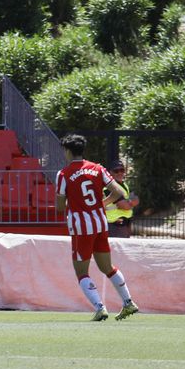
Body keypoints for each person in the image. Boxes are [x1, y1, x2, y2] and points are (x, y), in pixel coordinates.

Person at [56, 135, 139, 321]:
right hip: (100, 223)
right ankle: (128, 302)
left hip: (81, 226)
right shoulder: (97, 168)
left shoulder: (64, 174)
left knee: (81, 272)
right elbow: (118, 191)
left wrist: (74, 201)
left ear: (68, 151)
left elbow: (60, 206)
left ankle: (100, 307)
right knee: (106, 266)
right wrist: (101, 203)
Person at [103, 155, 139, 238]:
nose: (120, 173)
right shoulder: (109, 188)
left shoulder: (124, 185)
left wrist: (129, 203)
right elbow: (125, 205)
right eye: (116, 171)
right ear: (110, 173)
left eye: (122, 170)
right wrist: (131, 203)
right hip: (114, 225)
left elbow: (136, 200)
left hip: (125, 224)